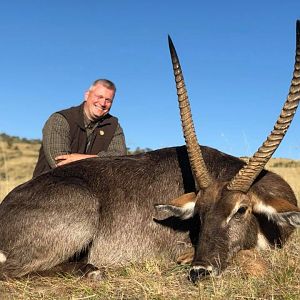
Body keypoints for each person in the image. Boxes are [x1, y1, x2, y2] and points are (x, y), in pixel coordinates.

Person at [33, 79, 127, 177]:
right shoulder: (60, 119)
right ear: (86, 95)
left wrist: (81, 159)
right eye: (99, 97)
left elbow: (120, 159)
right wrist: (101, 161)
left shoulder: (114, 125)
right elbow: (60, 163)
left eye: (108, 100)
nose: (103, 103)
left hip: (92, 190)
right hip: (48, 187)